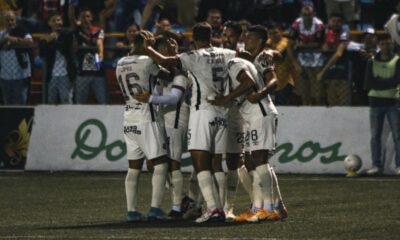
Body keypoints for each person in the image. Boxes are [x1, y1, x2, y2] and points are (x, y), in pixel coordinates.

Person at [142, 22, 237, 223]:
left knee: (200, 160)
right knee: (217, 162)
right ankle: (222, 207)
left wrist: (148, 48)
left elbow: (167, 63)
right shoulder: (229, 53)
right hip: (223, 112)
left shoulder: (193, 56)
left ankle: (212, 208)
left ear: (193, 37)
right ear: (212, 35)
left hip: (202, 111)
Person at [115, 30, 170, 222]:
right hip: (147, 117)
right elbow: (169, 75)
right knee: (162, 163)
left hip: (129, 117)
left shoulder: (120, 62)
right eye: (151, 44)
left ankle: (131, 211)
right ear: (146, 43)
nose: (153, 48)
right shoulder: (148, 62)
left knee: (133, 168)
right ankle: (155, 209)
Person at [134, 37, 190, 218]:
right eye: (166, 45)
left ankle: (176, 207)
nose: (171, 48)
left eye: (174, 44)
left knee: (173, 162)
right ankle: (182, 198)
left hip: (175, 117)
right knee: (155, 163)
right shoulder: (157, 72)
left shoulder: (180, 70)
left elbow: (174, 98)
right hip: (159, 119)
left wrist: (150, 98)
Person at [364, 34, 400, 176]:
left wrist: (380, 82)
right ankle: (376, 165)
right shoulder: (371, 61)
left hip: (393, 102)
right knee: (375, 136)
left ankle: (398, 166)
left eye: (388, 43)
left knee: (398, 136)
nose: (386, 46)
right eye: (383, 44)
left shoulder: (398, 61)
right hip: (376, 102)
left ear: (392, 44)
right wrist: (388, 83)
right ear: (378, 45)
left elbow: (397, 80)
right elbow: (368, 83)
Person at [288, 4, 325, 106]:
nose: (307, 17)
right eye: (305, 14)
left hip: (317, 61)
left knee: (317, 91)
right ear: (301, 15)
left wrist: (300, 45)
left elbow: (319, 44)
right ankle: (305, 108)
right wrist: (295, 64)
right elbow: (289, 45)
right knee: (304, 90)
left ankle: (318, 110)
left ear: (314, 14)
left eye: (309, 15)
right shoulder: (296, 25)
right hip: (301, 62)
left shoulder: (319, 25)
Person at [70, 7, 107, 104]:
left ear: (91, 18)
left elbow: (100, 43)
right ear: (79, 19)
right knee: (80, 103)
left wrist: (101, 53)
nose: (86, 18)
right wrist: (72, 5)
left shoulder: (98, 31)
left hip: (98, 73)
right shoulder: (77, 31)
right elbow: (71, 17)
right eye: (83, 16)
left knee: (103, 102)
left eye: (88, 16)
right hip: (82, 74)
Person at [39, 13, 76, 104]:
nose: (57, 22)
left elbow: (64, 49)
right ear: (49, 23)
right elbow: (42, 53)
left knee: (66, 101)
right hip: (52, 75)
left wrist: (53, 40)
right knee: (51, 102)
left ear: (62, 21)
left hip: (66, 75)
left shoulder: (68, 34)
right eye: (54, 20)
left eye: (58, 20)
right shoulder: (47, 36)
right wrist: (46, 41)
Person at [0, 10, 33, 105]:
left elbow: (30, 42)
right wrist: (6, 39)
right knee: (7, 105)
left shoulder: (22, 31)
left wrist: (15, 40)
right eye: (7, 20)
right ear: (3, 21)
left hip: (21, 75)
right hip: (4, 76)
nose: (10, 22)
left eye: (12, 20)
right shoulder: (1, 34)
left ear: (15, 20)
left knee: (20, 105)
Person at [316, 14, 350, 106]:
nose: (336, 23)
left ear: (342, 23)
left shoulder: (344, 33)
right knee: (331, 104)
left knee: (344, 105)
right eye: (333, 21)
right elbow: (323, 47)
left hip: (342, 75)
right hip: (330, 76)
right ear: (329, 23)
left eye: (338, 21)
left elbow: (338, 54)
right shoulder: (326, 33)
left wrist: (322, 72)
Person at [266, 22, 296, 106]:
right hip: (272, 81)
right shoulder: (269, 42)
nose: (273, 35)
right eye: (270, 33)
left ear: (281, 32)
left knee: (284, 106)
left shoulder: (284, 42)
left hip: (285, 81)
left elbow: (276, 54)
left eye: (275, 32)